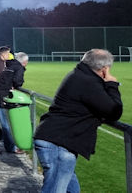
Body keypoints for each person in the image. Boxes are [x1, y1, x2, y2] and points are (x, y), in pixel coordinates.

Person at [34, 49, 122, 193]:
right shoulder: (87, 81)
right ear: (104, 68)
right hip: (59, 144)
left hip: (55, 140)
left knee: (72, 190)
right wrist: (112, 85)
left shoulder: (79, 75)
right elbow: (114, 111)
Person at [0, 52, 29, 155]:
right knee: (6, 124)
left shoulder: (8, 65)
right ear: (25, 62)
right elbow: (18, 82)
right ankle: (10, 147)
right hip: (1, 97)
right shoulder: (19, 68)